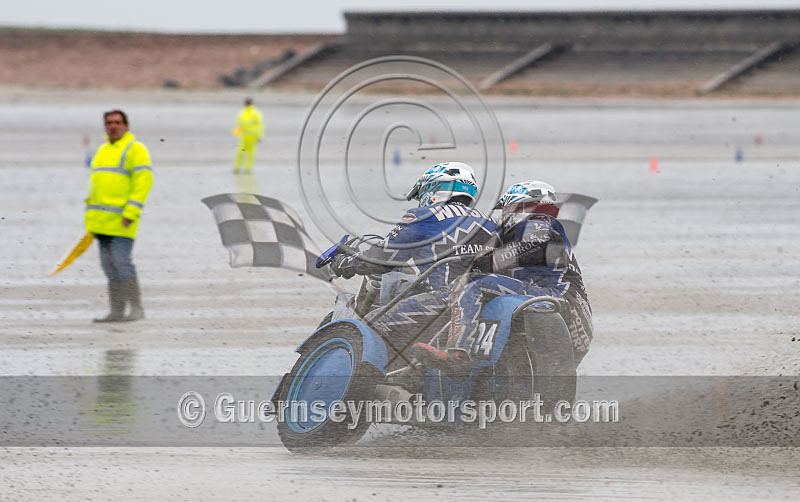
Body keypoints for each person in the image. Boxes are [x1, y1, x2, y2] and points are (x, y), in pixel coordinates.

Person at [330, 162, 498, 369]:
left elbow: (385, 257)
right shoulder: (491, 221)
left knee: (372, 326)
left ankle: (364, 387)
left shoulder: (425, 216)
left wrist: (349, 263)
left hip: (444, 298)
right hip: (485, 300)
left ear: (433, 189)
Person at [434, 180, 593, 368]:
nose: (504, 215)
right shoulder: (549, 231)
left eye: (507, 208)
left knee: (473, 282)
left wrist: (483, 263)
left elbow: (533, 244)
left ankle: (459, 351)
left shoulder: (538, 223)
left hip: (553, 298)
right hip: (576, 322)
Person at [86, 110, 153, 322]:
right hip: (100, 223)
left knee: (122, 263)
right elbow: (97, 186)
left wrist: (132, 211)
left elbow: (143, 183)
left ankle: (136, 309)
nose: (113, 126)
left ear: (126, 125)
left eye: (117, 122)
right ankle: (116, 311)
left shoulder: (135, 149)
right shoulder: (102, 150)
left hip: (123, 220)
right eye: (109, 123)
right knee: (109, 267)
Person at [233, 97, 264, 173]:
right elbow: (240, 124)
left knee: (246, 153)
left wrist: (259, 136)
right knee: (244, 153)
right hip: (246, 135)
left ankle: (246, 168)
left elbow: (259, 125)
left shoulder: (252, 113)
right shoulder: (247, 112)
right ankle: (240, 168)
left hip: (251, 136)